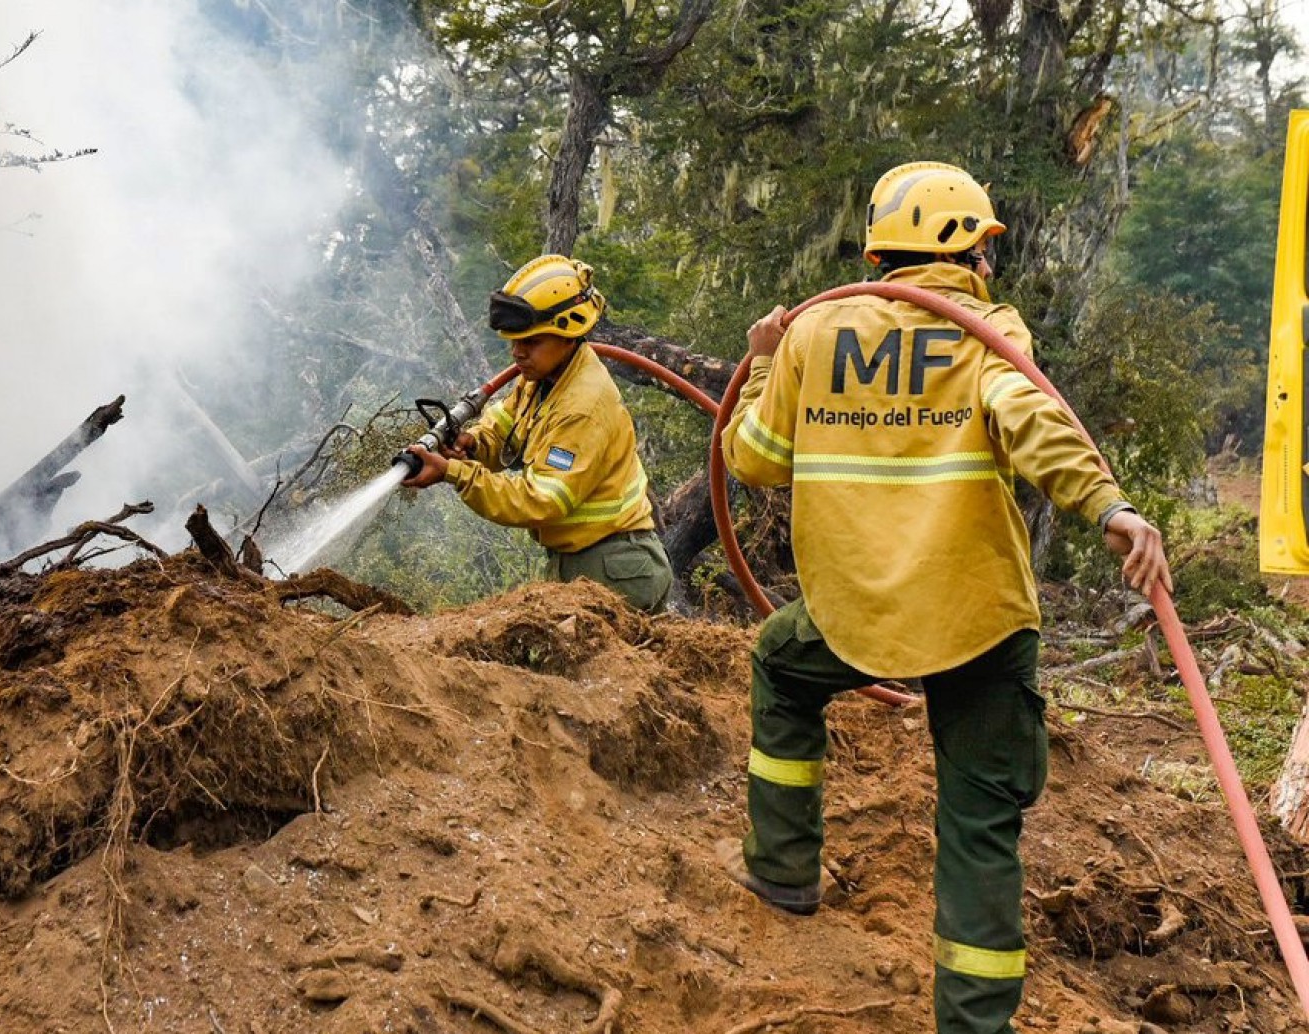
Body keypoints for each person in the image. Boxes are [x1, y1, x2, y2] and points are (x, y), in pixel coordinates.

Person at [717, 161, 1172, 1034]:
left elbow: (754, 461)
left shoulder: (815, 333)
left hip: (855, 617)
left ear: (880, 251)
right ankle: (972, 1023)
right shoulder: (987, 332)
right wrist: (1105, 504)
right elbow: (1033, 416)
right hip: (978, 622)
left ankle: (781, 867)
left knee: (782, 662)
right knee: (978, 827)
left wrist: (762, 362)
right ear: (972, 250)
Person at [401, 254, 674, 613]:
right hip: (587, 563)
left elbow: (541, 500)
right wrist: (473, 445)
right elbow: (504, 425)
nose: (517, 352)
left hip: (616, 569)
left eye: (530, 341)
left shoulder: (582, 407)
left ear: (568, 331)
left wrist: (455, 473)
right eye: (514, 341)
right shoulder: (544, 379)